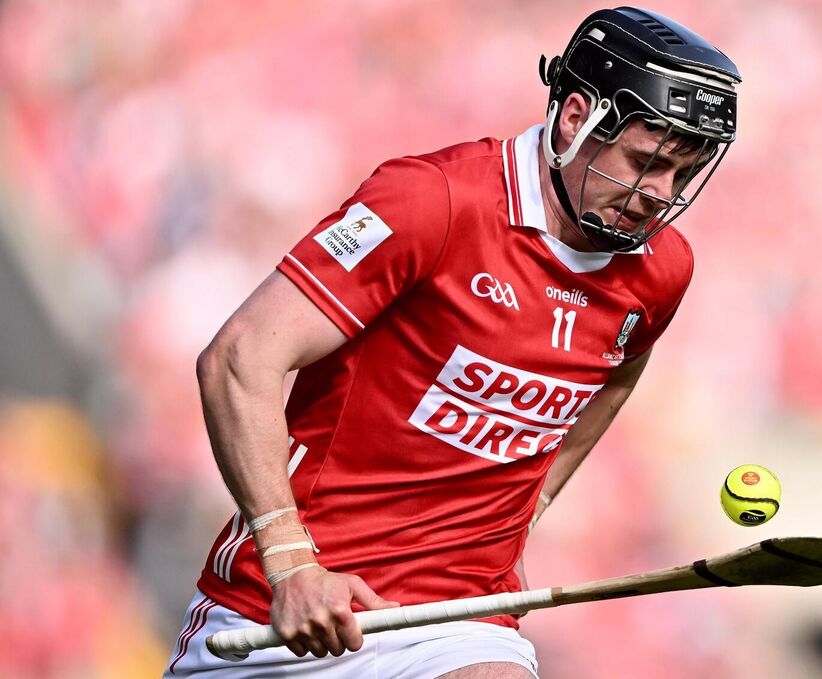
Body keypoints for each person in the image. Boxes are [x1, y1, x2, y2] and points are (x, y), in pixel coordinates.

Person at [164, 6, 740, 677]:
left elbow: (615, 371)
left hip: (458, 622)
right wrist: (292, 560)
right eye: (645, 163)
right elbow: (239, 357)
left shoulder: (661, 271)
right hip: (286, 615)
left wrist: (532, 505)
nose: (658, 197)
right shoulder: (431, 202)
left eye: (682, 175)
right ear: (577, 116)